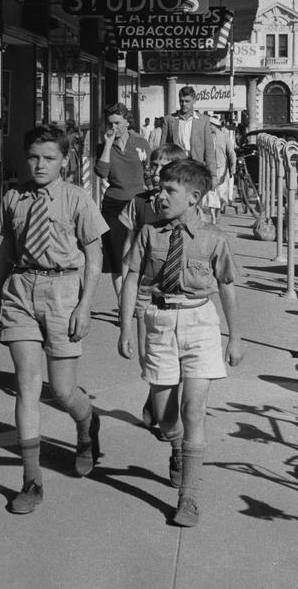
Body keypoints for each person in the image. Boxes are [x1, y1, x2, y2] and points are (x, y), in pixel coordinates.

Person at [0, 125, 108, 514]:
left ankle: (87, 425)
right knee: (26, 386)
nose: (40, 165)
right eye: (34, 157)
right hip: (21, 290)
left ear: (65, 161)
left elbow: (94, 256)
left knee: (62, 391)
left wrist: (85, 304)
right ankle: (31, 480)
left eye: (50, 158)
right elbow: (7, 246)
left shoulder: (77, 200)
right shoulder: (13, 198)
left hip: (63, 292)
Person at [119, 159, 243, 527]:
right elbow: (130, 279)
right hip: (158, 321)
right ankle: (176, 446)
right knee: (164, 415)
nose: (160, 196)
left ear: (194, 197)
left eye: (169, 190)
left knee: (194, 410)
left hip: (200, 322)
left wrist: (235, 337)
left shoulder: (214, 238)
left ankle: (187, 497)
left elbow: (227, 287)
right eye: (159, 188)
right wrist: (126, 327)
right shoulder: (148, 233)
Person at [118, 143, 188, 434]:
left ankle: (171, 422)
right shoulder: (139, 203)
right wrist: (125, 293)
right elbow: (127, 251)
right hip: (145, 294)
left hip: (178, 296)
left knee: (178, 362)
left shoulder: (186, 205)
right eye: (154, 166)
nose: (154, 171)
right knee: (151, 360)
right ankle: (155, 398)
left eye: (162, 168)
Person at [94, 102, 151, 299]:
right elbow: (101, 172)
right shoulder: (104, 146)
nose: (113, 128)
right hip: (114, 205)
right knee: (117, 258)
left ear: (128, 121)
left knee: (141, 255)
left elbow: (149, 172)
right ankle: (122, 304)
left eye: (117, 123)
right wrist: (108, 145)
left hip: (139, 203)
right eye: (110, 124)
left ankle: (137, 297)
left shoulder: (141, 143)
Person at [161, 86, 217, 182]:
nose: (183, 104)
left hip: (195, 166)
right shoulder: (169, 120)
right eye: (181, 101)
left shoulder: (203, 120)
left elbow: (209, 150)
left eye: (187, 101)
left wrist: (213, 175)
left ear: (194, 101)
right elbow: (163, 147)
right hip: (176, 165)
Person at [202, 116, 237, 222]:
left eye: (210, 125)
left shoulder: (225, 137)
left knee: (221, 194)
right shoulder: (206, 137)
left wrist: (233, 166)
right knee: (211, 193)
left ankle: (218, 212)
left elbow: (231, 153)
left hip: (222, 169)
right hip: (210, 168)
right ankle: (213, 217)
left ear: (214, 126)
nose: (208, 127)